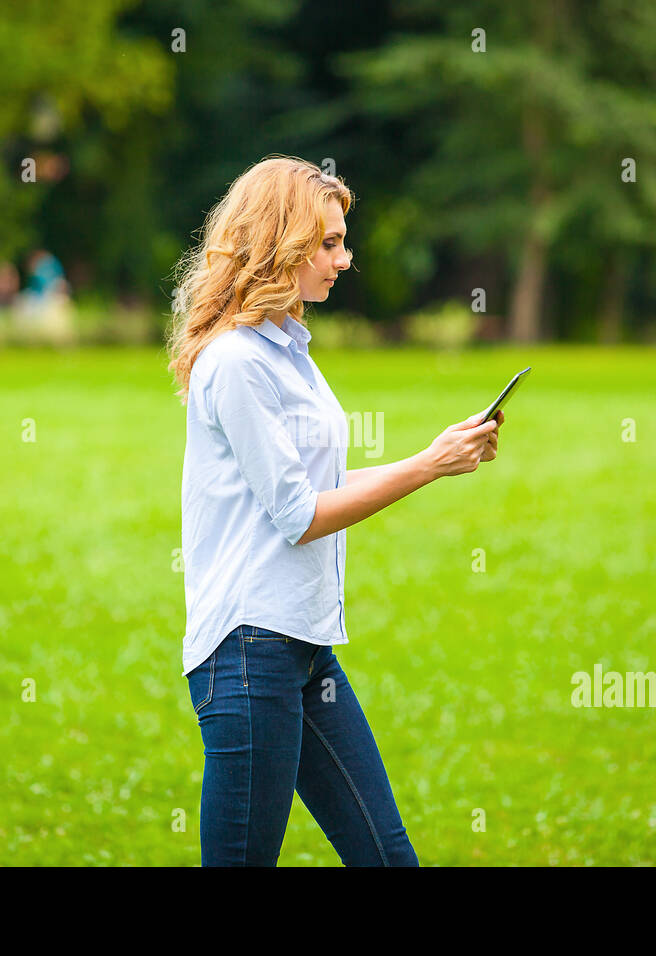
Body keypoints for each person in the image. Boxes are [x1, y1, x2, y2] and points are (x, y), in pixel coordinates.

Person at [166, 155, 504, 867]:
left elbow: (318, 481)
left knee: (386, 857)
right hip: (248, 650)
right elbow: (299, 513)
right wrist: (424, 467)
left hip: (300, 644)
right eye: (328, 243)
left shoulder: (288, 350)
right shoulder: (236, 364)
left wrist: (438, 457)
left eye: (341, 241)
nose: (344, 259)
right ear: (278, 243)